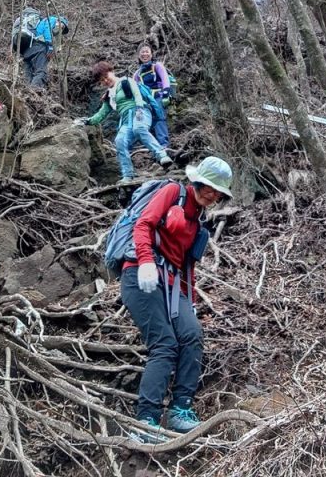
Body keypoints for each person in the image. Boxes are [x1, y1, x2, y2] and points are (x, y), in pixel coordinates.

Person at [121, 156, 234, 440]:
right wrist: (146, 261)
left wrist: (191, 301)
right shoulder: (173, 192)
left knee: (192, 335)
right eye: (208, 187)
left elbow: (187, 266)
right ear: (197, 181)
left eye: (218, 192)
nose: (212, 194)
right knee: (164, 344)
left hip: (173, 285)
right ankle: (146, 422)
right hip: (140, 275)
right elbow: (143, 225)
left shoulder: (199, 220)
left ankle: (180, 410)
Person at [76, 61, 172, 180]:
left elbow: (137, 94)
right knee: (120, 141)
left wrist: (139, 109)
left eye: (106, 76)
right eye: (101, 80)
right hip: (125, 119)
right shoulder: (109, 95)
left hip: (140, 110)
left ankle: (162, 155)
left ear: (111, 71)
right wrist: (87, 121)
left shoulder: (126, 81)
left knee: (139, 128)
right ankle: (128, 175)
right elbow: (101, 114)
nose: (105, 81)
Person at [133, 44, 173, 148]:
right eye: (142, 52)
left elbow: (165, 79)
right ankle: (151, 146)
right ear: (138, 55)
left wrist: (166, 93)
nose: (145, 54)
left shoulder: (157, 66)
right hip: (146, 100)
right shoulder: (137, 74)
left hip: (158, 96)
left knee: (159, 117)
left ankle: (163, 144)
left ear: (151, 54)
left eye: (147, 51)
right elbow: (134, 88)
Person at [20, 14, 68, 89]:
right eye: (62, 26)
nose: (61, 28)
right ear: (60, 21)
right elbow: (47, 30)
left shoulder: (43, 22)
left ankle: (26, 91)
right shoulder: (52, 19)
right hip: (39, 47)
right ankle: (34, 90)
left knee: (28, 73)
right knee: (41, 72)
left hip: (28, 49)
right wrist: (50, 46)